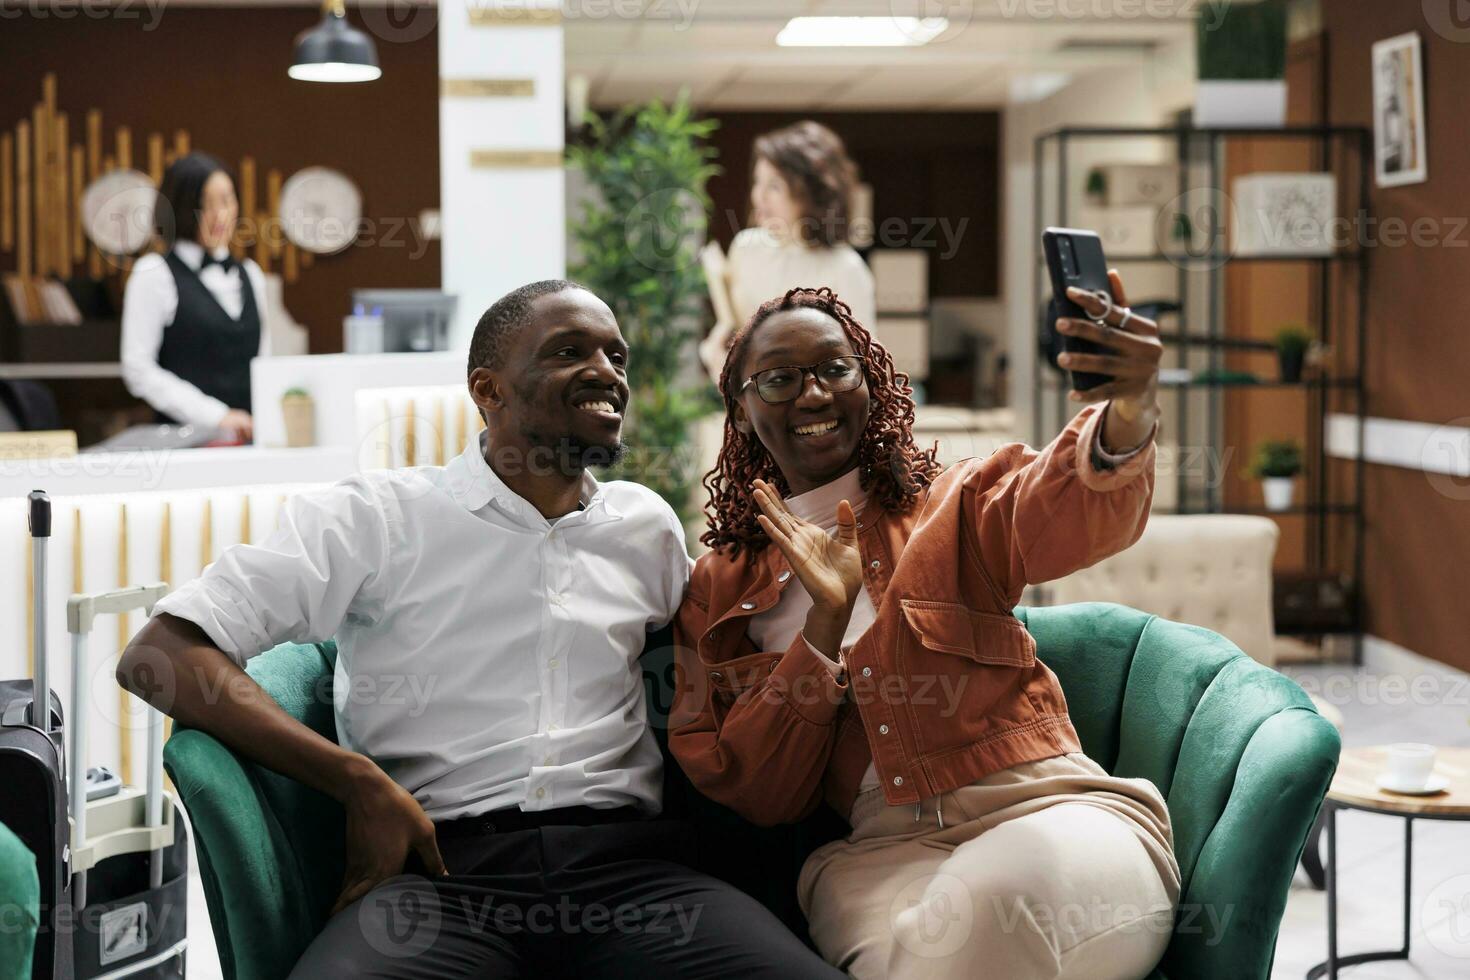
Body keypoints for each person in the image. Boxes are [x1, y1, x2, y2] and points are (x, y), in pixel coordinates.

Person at [118, 280, 841, 978]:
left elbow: (719, 656)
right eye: (569, 352)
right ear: (488, 390)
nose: (606, 373)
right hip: (439, 882)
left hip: (634, 878)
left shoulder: (643, 527)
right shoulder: (378, 517)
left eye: (616, 356)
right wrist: (355, 780)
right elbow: (161, 654)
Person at [670, 279, 1179, 979]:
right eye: (780, 379)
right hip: (878, 860)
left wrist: (1127, 409)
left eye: (834, 369)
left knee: (979, 915)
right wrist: (822, 628)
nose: (813, 395)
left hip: (1048, 810)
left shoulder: (956, 503)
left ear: (869, 381)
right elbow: (756, 792)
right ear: (742, 405)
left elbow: (1064, 511)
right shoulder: (716, 591)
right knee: (948, 943)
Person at [699, 122, 875, 383]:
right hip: (753, 404)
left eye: (775, 187)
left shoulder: (845, 267)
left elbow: (864, 365)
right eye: (758, 182)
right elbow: (737, 333)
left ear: (810, 193)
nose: (759, 196)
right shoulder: (747, 248)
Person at [121, 153, 265, 441]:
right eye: (204, 205)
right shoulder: (154, 273)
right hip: (184, 442)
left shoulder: (251, 273)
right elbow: (138, 368)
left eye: (226, 200)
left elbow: (265, 361)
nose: (220, 214)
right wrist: (216, 415)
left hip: (251, 441)